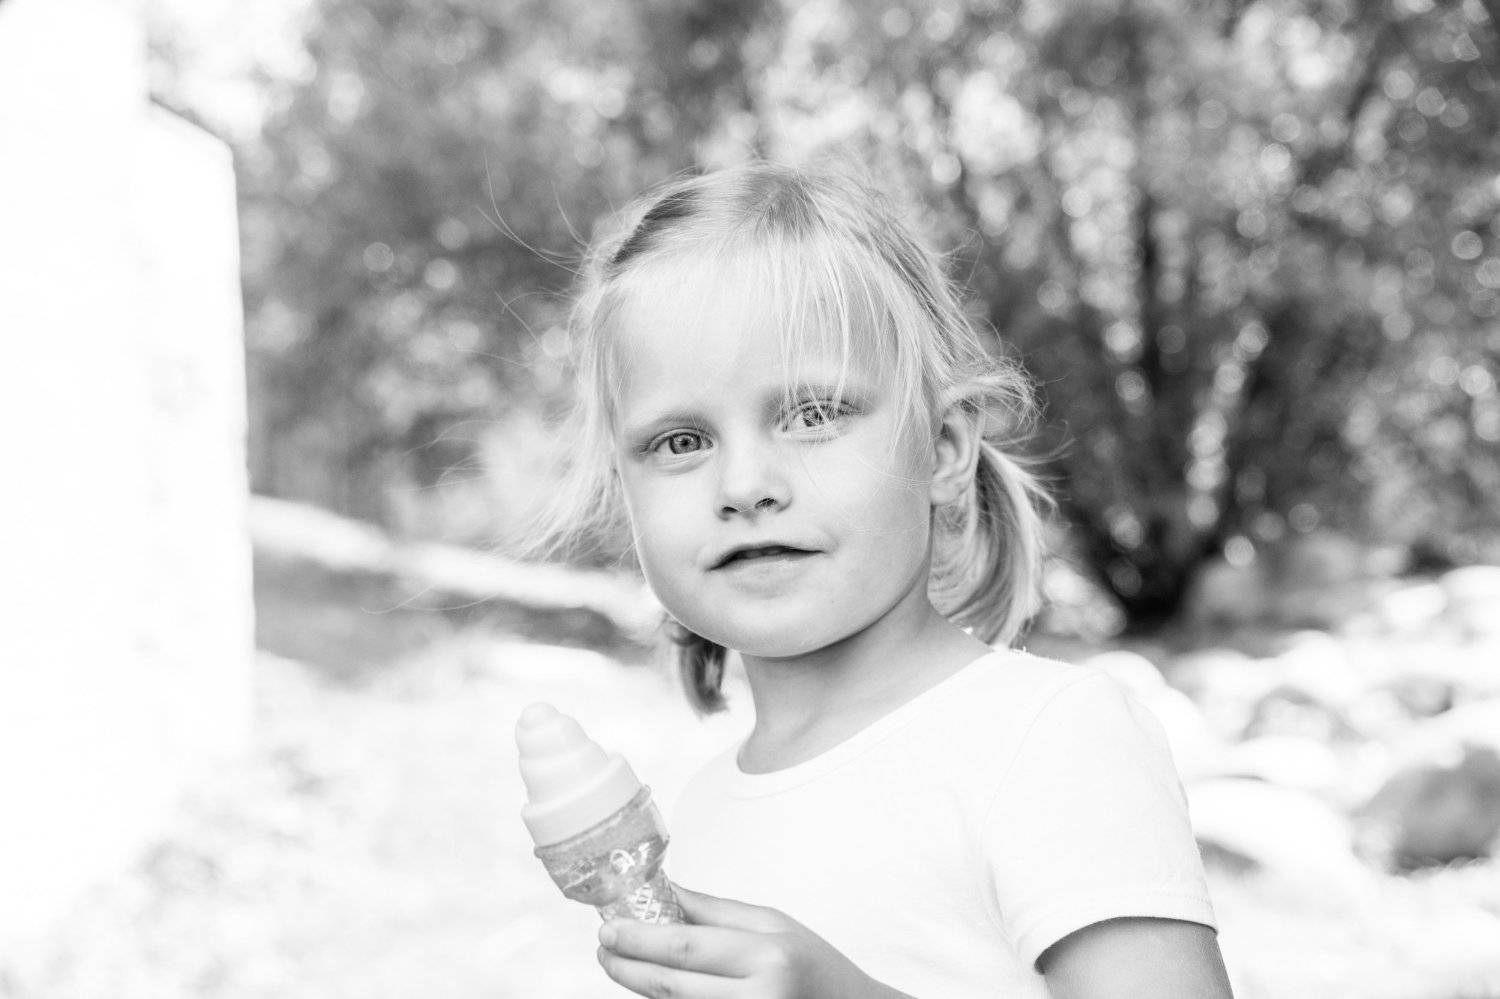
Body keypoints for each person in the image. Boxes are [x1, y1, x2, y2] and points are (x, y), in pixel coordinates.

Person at [522, 161, 1234, 998]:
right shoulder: (702, 811)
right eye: (682, 442)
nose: (745, 484)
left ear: (943, 448)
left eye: (813, 414)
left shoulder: (1050, 738)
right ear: (625, 489)